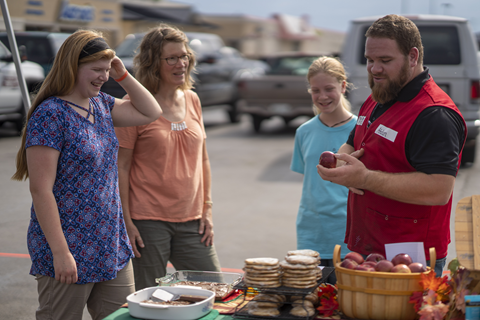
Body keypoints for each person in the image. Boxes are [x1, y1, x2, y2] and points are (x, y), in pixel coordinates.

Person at [11, 30, 162, 320]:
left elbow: (151, 112)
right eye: (96, 70)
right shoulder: (51, 114)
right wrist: (60, 252)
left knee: (126, 317)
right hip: (70, 247)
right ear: (72, 66)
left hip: (110, 246)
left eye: (106, 70)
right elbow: (41, 190)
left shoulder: (101, 104)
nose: (103, 76)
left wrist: (122, 75)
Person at [317, 14, 466, 277]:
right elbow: (353, 142)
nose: (374, 69)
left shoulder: (434, 114)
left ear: (412, 56)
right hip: (365, 245)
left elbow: (438, 189)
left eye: (385, 61)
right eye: (370, 60)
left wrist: (364, 178)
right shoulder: (378, 96)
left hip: (409, 258)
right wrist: (343, 163)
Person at [115, 24, 222, 291]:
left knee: (214, 292)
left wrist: (206, 209)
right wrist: (126, 222)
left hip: (193, 220)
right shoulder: (134, 105)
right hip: (147, 221)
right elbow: (122, 167)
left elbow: (203, 160)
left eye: (184, 56)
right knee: (151, 298)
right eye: (171, 58)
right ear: (153, 63)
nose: (181, 63)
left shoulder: (193, 99)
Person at [290, 57, 356, 284]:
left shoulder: (360, 130)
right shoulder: (304, 132)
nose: (323, 96)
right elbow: (310, 182)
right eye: (315, 90)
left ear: (343, 86)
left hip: (349, 236)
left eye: (329, 89)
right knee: (311, 305)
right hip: (311, 234)